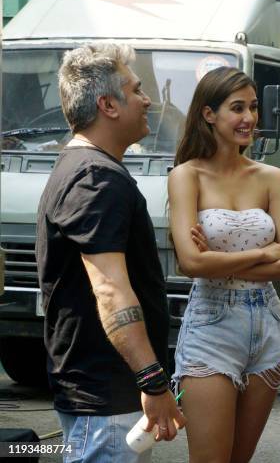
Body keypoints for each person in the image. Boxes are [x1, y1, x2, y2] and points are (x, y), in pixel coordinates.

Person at [36, 44, 186, 463]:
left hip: (105, 395)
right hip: (106, 398)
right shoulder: (95, 178)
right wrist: (154, 382)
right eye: (136, 89)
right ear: (107, 104)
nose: (148, 99)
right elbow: (110, 290)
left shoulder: (85, 168)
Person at [168, 66, 280, 463]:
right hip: (211, 324)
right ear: (209, 114)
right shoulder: (185, 176)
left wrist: (217, 261)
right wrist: (264, 253)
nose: (249, 118)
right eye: (237, 108)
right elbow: (192, 262)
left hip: (267, 326)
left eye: (254, 107)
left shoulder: (271, 177)